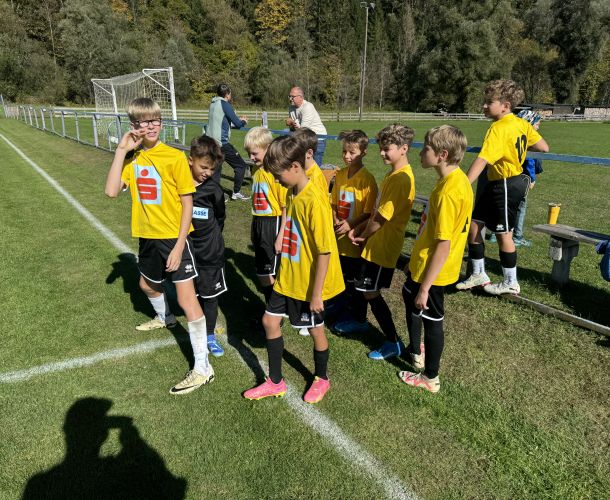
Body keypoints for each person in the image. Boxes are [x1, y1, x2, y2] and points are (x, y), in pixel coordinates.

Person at [105, 97, 214, 395]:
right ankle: (165, 318)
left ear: (161, 123)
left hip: (173, 238)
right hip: (147, 237)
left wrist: (179, 246)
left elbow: (187, 203)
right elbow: (111, 191)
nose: (150, 126)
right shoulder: (132, 158)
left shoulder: (174, 157)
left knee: (187, 299)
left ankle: (203, 368)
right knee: (146, 285)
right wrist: (121, 151)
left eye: (155, 120)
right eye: (143, 122)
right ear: (133, 126)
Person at [242, 135, 345, 404]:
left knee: (315, 330)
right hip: (288, 276)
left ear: (296, 167)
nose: (276, 180)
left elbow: (324, 251)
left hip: (307, 282)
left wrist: (317, 293)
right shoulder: (292, 191)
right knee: (269, 321)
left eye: (279, 175)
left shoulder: (315, 201)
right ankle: (275, 382)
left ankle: (322, 378)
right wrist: (282, 235)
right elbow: (289, 215)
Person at [456, 80, 549, 295]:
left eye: (489, 102)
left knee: (503, 234)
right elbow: (543, 147)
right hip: (496, 182)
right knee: (475, 225)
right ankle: (478, 273)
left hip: (507, 183)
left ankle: (510, 281)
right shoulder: (521, 124)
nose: (484, 106)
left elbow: (482, 159)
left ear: (505, 105)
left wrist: (461, 185)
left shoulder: (498, 128)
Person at [399, 125, 473, 393]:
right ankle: (416, 348)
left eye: (426, 149)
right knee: (410, 297)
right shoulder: (456, 180)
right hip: (427, 265)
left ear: (442, 155)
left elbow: (443, 244)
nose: (421, 152)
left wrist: (426, 287)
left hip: (434, 271)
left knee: (432, 320)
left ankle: (430, 377)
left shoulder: (448, 192)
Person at [348, 124, 416, 360]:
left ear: (404, 148)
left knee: (370, 291)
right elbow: (377, 211)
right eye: (381, 148)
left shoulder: (401, 179)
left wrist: (362, 235)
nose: (382, 153)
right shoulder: (393, 174)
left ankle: (392, 341)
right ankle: (359, 321)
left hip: (383, 245)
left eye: (387, 149)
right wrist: (361, 229)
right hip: (375, 243)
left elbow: (381, 218)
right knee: (362, 286)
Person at [329, 130, 378, 333]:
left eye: (352, 152)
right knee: (338, 276)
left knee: (353, 281)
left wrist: (350, 224)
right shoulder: (340, 174)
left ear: (363, 152)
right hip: (337, 238)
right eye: (344, 151)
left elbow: (369, 212)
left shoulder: (367, 180)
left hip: (353, 240)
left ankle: (357, 317)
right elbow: (333, 202)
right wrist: (335, 219)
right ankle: (340, 308)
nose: (347, 156)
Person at [188, 135, 228, 357]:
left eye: (212, 169)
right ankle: (197, 329)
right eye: (204, 167)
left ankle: (210, 335)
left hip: (210, 252)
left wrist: (211, 238)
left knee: (210, 296)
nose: (208, 172)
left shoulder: (214, 189)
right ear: (191, 160)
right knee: (192, 294)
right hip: (187, 249)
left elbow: (220, 217)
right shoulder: (180, 184)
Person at [244, 127, 287, 312]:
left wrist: (281, 235)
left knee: (270, 271)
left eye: (254, 153)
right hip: (259, 222)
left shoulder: (275, 173)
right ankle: (274, 308)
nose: (251, 157)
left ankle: (278, 309)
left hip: (273, 223)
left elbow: (285, 207)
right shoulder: (256, 169)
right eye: (249, 153)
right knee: (262, 271)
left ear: (268, 148)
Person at [207, 83, 250, 201]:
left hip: (210, 142)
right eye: (230, 93)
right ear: (227, 94)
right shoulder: (225, 104)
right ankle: (236, 192)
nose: (231, 95)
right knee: (240, 166)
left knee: (216, 170)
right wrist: (244, 121)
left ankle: (216, 195)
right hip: (221, 144)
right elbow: (238, 124)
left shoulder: (213, 103)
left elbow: (222, 122)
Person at [513, 110, 544, 247]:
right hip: (522, 179)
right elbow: (530, 161)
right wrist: (532, 179)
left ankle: (496, 233)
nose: (538, 127)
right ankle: (517, 236)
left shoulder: (513, 136)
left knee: (505, 205)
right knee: (521, 206)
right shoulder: (529, 140)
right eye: (537, 124)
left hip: (507, 177)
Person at [286, 86, 328, 165]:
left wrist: (292, 123)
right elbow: (293, 129)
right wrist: (290, 124)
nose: (290, 99)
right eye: (289, 96)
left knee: (315, 166)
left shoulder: (307, 107)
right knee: (302, 165)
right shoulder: (291, 107)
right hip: (304, 138)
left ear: (301, 97)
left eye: (292, 97)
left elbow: (304, 130)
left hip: (318, 139)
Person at [291, 127, 330, 195]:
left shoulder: (315, 180)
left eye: (295, 152)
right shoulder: (299, 170)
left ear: (309, 153)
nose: (291, 155)